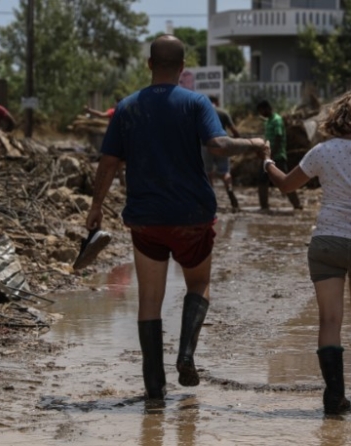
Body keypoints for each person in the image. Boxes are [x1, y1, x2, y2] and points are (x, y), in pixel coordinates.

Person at [85, 35, 269, 401]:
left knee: (149, 300)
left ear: (149, 65)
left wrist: (96, 207)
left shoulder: (127, 108)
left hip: (146, 219)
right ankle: (186, 353)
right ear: (183, 69)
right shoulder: (197, 103)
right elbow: (217, 146)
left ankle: (155, 388)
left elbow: (107, 163)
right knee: (198, 284)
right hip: (192, 216)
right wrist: (254, 143)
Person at [260, 91, 351, 414]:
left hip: (326, 242)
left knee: (329, 320)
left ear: (334, 120)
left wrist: (268, 162)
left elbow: (285, 185)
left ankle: (334, 397)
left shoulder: (321, 152)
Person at [256, 100, 302, 211]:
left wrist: (271, 155)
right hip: (267, 157)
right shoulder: (268, 122)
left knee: (286, 181)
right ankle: (264, 207)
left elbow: (278, 137)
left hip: (278, 157)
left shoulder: (277, 120)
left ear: (266, 108)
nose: (261, 113)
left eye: (261, 111)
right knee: (262, 181)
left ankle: (297, 206)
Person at [202, 95, 241, 211]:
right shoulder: (223, 113)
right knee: (225, 172)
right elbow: (234, 131)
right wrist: (236, 143)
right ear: (217, 102)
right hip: (222, 144)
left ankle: (211, 198)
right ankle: (229, 189)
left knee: (208, 173)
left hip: (206, 145)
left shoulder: (202, 113)